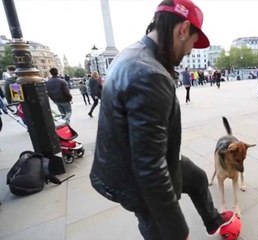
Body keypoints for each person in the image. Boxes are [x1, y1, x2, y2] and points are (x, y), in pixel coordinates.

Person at [89, 1, 237, 239]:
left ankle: (213, 221)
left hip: (137, 155)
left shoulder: (133, 53)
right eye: (191, 43)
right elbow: (149, 168)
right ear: (183, 29)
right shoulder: (149, 74)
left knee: (197, 178)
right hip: (134, 177)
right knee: (156, 223)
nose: (190, 51)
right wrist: (178, 231)